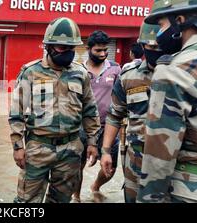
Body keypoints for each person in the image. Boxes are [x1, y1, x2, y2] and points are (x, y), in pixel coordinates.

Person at [138, 0, 197, 203]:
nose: (158, 35)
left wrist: (150, 198)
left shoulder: (176, 68)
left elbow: (160, 150)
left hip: (191, 188)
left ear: (179, 20)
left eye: (161, 25)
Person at [9, 17, 100, 203]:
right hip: (38, 149)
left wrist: (92, 142)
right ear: (48, 46)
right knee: (27, 201)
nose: (67, 52)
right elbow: (16, 113)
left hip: (71, 150)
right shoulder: (30, 72)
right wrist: (18, 147)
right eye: (61, 47)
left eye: (71, 48)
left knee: (61, 200)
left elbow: (90, 109)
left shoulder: (80, 74)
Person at [100, 22, 163, 203]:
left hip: (171, 163)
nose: (156, 50)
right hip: (135, 160)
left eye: (161, 46)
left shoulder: (184, 75)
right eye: (151, 46)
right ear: (142, 46)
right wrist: (105, 151)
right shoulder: (128, 76)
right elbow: (114, 115)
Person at [73, 30, 122, 203]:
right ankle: (76, 197)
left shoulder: (116, 69)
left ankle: (95, 187)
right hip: (82, 126)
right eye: (98, 51)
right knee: (77, 165)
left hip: (108, 126)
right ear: (88, 49)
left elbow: (121, 99)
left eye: (105, 50)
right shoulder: (77, 70)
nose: (102, 54)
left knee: (112, 166)